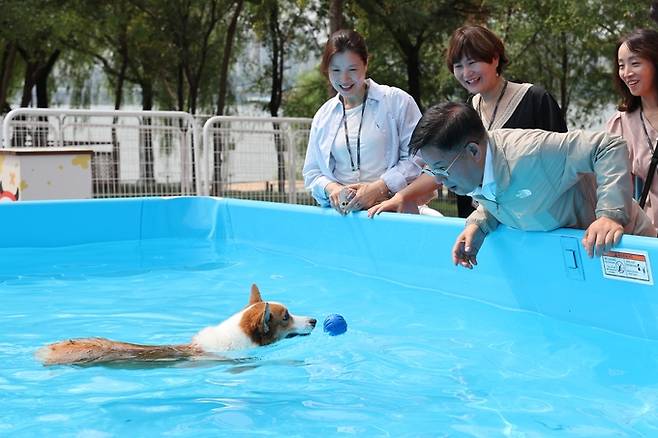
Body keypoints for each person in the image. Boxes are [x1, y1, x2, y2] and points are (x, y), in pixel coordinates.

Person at [408, 102, 655, 269]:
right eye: (432, 170)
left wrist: (611, 215)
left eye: (442, 168)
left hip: (630, 244)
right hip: (590, 253)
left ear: (473, 150)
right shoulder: (477, 169)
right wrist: (479, 224)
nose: (439, 179)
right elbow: (504, 193)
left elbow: (607, 146)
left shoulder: (532, 153)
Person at [368, 25, 566, 218]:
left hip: (532, 219)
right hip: (476, 223)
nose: (466, 73)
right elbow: (441, 168)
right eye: (458, 66)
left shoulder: (535, 99)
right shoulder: (466, 110)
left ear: (495, 58)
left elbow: (563, 163)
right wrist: (403, 195)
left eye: (472, 63)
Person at [303, 29, 428, 215]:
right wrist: (333, 189)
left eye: (352, 70)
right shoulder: (323, 116)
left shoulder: (396, 101)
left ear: (366, 63)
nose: (344, 79)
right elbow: (312, 173)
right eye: (335, 70)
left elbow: (419, 158)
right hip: (345, 218)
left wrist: (380, 187)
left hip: (393, 211)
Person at [606, 29, 658, 235]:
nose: (626, 72)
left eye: (635, 63)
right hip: (651, 238)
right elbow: (613, 187)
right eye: (621, 66)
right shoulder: (620, 124)